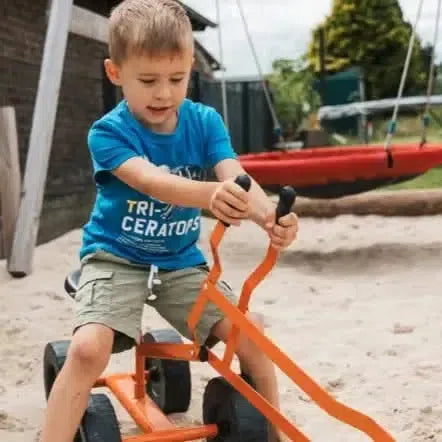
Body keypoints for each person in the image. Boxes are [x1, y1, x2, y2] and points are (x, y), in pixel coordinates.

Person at [40, 1, 298, 441]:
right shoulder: (108, 132)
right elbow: (151, 181)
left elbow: (234, 176)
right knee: (86, 350)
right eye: (148, 80)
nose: (163, 93)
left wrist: (268, 215)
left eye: (176, 79)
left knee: (252, 334)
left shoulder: (203, 121)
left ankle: (274, 433)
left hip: (180, 263)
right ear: (115, 72)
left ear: (190, 68)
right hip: (114, 259)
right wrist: (210, 197)